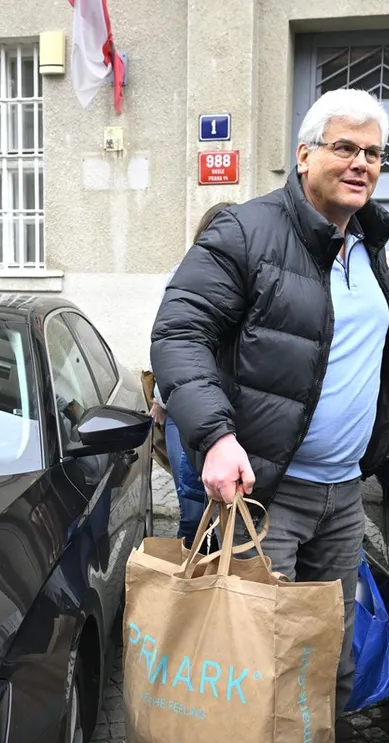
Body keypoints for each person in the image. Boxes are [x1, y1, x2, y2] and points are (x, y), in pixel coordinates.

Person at [150, 88, 389, 743]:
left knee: (327, 663)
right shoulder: (245, 231)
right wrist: (216, 436)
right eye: (344, 147)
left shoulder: (369, 246)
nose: (361, 164)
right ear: (304, 154)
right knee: (249, 669)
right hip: (265, 498)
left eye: (373, 153)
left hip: (342, 497)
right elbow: (179, 331)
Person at [149, 202, 237, 550]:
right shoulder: (183, 274)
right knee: (192, 507)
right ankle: (191, 575)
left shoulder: (253, 275)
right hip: (186, 405)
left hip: (230, 407)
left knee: (227, 510)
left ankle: (217, 572)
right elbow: (169, 339)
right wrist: (160, 398)